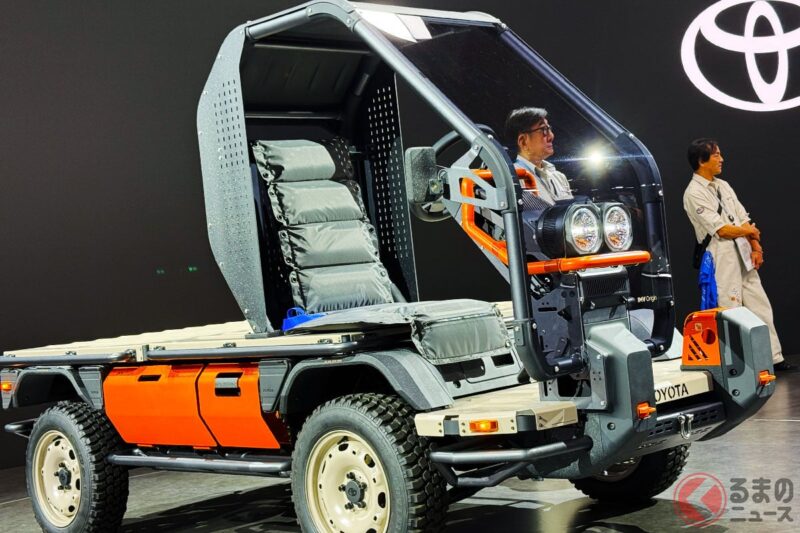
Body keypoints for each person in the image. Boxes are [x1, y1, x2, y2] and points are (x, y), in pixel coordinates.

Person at [682, 138, 791, 371]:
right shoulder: (693, 193)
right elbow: (721, 229)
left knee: (760, 304)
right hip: (720, 254)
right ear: (701, 161)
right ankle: (739, 366)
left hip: (742, 251)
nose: (721, 159)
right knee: (731, 308)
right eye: (716, 155)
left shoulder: (724, 186)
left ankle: (774, 358)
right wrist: (749, 231)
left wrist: (755, 246)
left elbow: (743, 218)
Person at [504, 107, 573, 204]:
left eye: (549, 128)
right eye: (543, 130)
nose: (551, 136)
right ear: (523, 141)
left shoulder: (559, 177)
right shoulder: (512, 180)